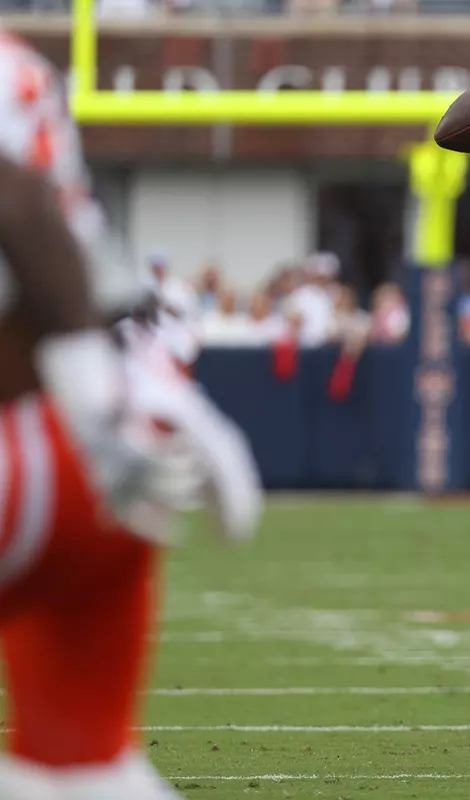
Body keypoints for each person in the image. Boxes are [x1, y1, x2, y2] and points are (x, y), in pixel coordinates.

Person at [0, 29, 263, 799]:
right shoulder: (21, 66)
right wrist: (133, 388)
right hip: (80, 462)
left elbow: (18, 202)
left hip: (49, 431)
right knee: (86, 767)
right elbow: (61, 232)